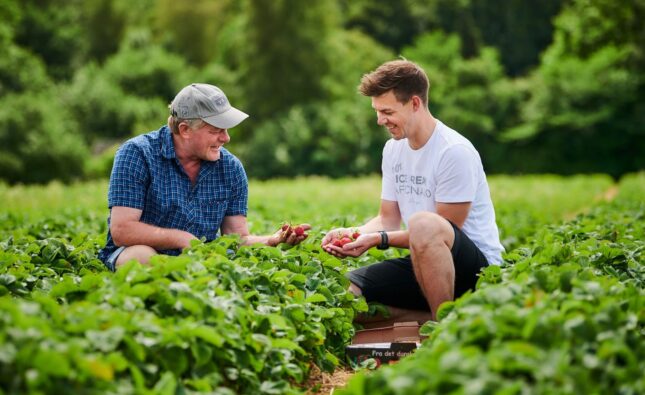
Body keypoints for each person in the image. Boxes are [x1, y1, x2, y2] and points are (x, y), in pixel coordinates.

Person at [322, 60, 504, 323]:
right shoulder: (393, 150)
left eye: (387, 112)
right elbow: (387, 219)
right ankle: (438, 320)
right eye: (377, 111)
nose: (379, 120)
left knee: (424, 223)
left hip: (475, 270)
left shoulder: (453, 151)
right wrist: (353, 234)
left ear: (415, 104)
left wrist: (378, 240)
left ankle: (445, 330)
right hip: (426, 262)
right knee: (353, 299)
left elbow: (444, 232)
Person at [98, 83, 309, 271]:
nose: (226, 138)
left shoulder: (231, 168)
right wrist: (182, 239)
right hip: (137, 252)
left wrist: (272, 241)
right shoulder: (137, 153)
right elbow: (122, 230)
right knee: (142, 257)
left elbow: (236, 239)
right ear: (185, 130)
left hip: (200, 262)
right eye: (216, 130)